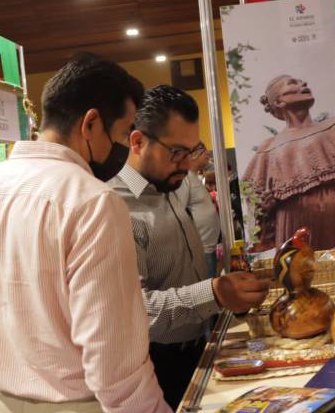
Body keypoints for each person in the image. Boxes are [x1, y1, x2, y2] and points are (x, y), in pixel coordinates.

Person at [0, 54, 170, 413]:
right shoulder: (92, 201)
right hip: (81, 405)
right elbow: (113, 357)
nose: (126, 148)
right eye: (125, 133)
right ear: (91, 123)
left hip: (2, 403)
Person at [109, 85, 270, 407]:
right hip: (155, 364)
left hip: (200, 343)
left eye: (192, 150)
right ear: (138, 141)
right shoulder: (115, 207)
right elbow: (132, 311)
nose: (186, 164)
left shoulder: (175, 184)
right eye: (177, 152)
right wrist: (213, 293)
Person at [242, 20, 335, 251]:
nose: (303, 84)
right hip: (291, 224)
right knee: (298, 276)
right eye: (293, 83)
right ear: (279, 101)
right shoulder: (267, 151)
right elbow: (255, 201)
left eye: (302, 81)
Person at [175, 146, 221, 278]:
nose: (208, 153)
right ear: (193, 154)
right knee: (207, 293)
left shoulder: (193, 177)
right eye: (203, 150)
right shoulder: (185, 179)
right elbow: (181, 211)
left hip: (207, 249)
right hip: (200, 251)